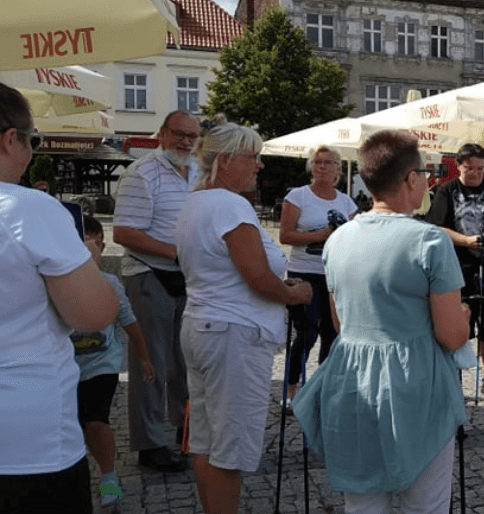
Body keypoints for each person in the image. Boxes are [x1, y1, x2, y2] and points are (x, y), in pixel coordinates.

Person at [292, 129, 470, 513]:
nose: (428, 179)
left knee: (363, 504)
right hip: (417, 383)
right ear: (410, 179)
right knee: (424, 506)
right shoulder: (430, 241)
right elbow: (452, 335)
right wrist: (466, 316)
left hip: (351, 381)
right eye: (425, 171)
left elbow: (340, 323)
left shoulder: (338, 239)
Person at [175, 123, 312, 514]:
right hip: (233, 335)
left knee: (205, 441)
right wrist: (293, 293)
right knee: (229, 450)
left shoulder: (194, 202)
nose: (259, 165)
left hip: (204, 325)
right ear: (225, 160)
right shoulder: (230, 204)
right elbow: (256, 277)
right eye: (252, 156)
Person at [0, 82, 119, 513]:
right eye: (34, 140)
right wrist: (84, 264)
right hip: (26, 435)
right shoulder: (28, 208)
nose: (33, 152)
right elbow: (95, 313)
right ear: (10, 139)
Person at [113, 109, 200, 472]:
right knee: (151, 363)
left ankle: (186, 432)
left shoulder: (196, 172)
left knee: (185, 363)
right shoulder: (142, 173)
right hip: (149, 274)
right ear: (162, 134)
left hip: (187, 278)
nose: (185, 142)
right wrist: (178, 252)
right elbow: (123, 234)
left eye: (191, 136)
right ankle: (150, 445)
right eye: (178, 134)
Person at [72, 216, 158, 509]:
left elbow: (129, 322)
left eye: (91, 244)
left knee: (96, 421)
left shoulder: (108, 282)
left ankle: (109, 478)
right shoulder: (52, 282)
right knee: (76, 425)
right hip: (67, 367)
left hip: (103, 363)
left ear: (101, 246)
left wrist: (144, 358)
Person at [425, 142, 484, 401]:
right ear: (459, 166)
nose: (476, 173)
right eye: (470, 169)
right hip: (460, 269)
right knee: (459, 325)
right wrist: (466, 241)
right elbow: (437, 228)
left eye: (480, 169)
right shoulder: (446, 191)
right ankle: (451, 379)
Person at [278, 146, 357, 405]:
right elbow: (285, 235)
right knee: (306, 334)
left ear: (338, 169)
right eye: (318, 162)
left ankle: (324, 389)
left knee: (332, 334)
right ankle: (290, 390)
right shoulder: (298, 196)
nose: (322, 167)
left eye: (328, 163)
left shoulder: (345, 202)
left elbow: (355, 234)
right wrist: (320, 235)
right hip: (304, 273)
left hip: (335, 274)